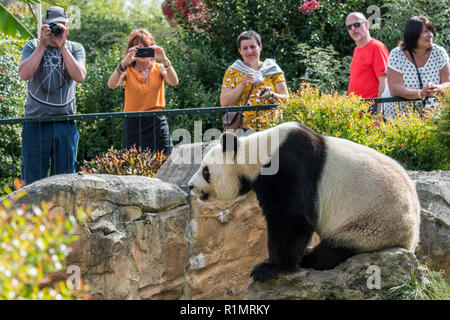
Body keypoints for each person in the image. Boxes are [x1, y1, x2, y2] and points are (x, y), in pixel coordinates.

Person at [18, 6, 86, 185]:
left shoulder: (75, 48)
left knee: (65, 182)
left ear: (67, 28)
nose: (56, 30)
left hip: (65, 123)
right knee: (32, 180)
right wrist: (42, 44)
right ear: (45, 26)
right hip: (35, 123)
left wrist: (63, 47)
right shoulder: (32, 45)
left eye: (61, 26)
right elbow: (24, 74)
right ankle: (31, 214)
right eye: (53, 26)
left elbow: (80, 76)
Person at [108, 29, 178, 155]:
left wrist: (165, 60)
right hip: (133, 123)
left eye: (146, 47)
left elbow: (174, 82)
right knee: (132, 162)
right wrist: (124, 62)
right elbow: (111, 85)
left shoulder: (159, 68)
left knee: (166, 159)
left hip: (157, 121)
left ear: (152, 47)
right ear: (132, 50)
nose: (143, 51)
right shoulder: (127, 70)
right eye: (138, 48)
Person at [220, 30, 288, 130]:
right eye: (245, 48)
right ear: (240, 51)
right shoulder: (233, 71)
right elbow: (224, 103)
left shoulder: (273, 70)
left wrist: (271, 94)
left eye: (253, 47)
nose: (249, 51)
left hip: (271, 129)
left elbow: (286, 100)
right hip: (242, 132)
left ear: (260, 47)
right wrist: (242, 85)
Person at [383, 16, 450, 118]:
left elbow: (448, 84)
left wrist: (438, 88)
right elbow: (394, 89)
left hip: (430, 115)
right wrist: (421, 93)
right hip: (399, 115)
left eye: (431, 31)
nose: (430, 35)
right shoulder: (397, 54)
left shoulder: (439, 52)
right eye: (425, 32)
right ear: (413, 34)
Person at [346, 12, 389, 115]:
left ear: (366, 24)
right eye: (349, 27)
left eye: (357, 25)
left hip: (372, 107)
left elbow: (385, 82)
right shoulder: (357, 50)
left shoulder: (376, 47)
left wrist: (380, 114)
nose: (353, 29)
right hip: (357, 108)